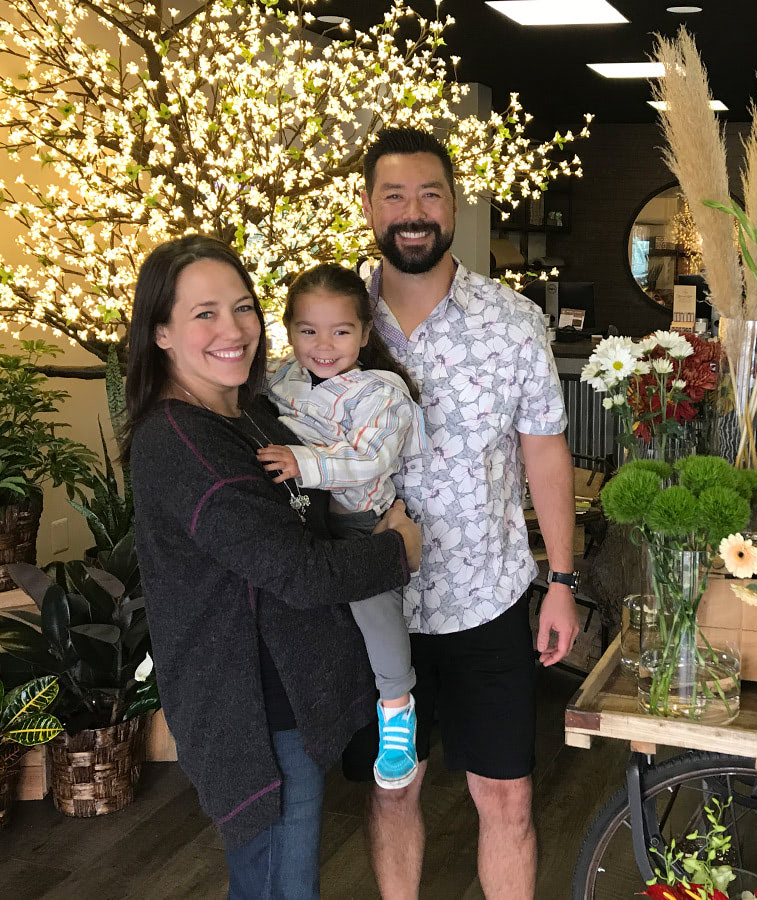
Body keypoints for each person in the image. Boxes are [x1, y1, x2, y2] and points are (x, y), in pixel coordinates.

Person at [125, 235, 422, 900]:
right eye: (204, 314)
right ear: (162, 332)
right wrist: (395, 549)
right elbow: (299, 572)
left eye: (242, 307)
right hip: (253, 716)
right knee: (278, 890)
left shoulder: (252, 413)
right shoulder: (182, 442)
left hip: (287, 698)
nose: (233, 331)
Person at [356, 126, 580, 899]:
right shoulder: (330, 323)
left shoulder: (511, 321)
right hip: (373, 609)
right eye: (394, 196)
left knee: (508, 796)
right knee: (393, 791)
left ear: (454, 206)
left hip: (487, 599)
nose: (412, 212)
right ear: (368, 207)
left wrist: (562, 581)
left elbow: (545, 454)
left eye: (429, 194)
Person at [258, 264, 428, 790]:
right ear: (287, 331)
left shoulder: (382, 392)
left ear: (365, 334)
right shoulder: (279, 380)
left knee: (373, 610)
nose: (323, 345)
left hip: (359, 522)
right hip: (296, 522)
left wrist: (301, 461)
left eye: (341, 331)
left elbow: (370, 458)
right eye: (308, 330)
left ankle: (398, 709)